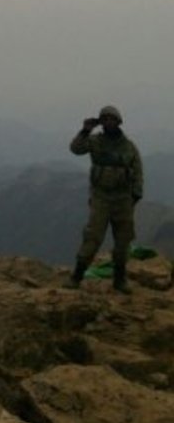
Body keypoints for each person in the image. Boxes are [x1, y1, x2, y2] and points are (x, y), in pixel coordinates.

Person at [66, 104, 143, 294]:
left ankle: (120, 280)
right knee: (93, 236)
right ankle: (76, 276)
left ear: (118, 122)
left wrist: (135, 194)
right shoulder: (95, 141)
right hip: (101, 197)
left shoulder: (129, 146)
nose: (109, 122)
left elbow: (138, 171)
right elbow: (75, 149)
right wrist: (85, 130)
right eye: (105, 119)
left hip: (123, 199)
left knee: (123, 241)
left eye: (113, 119)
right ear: (102, 122)